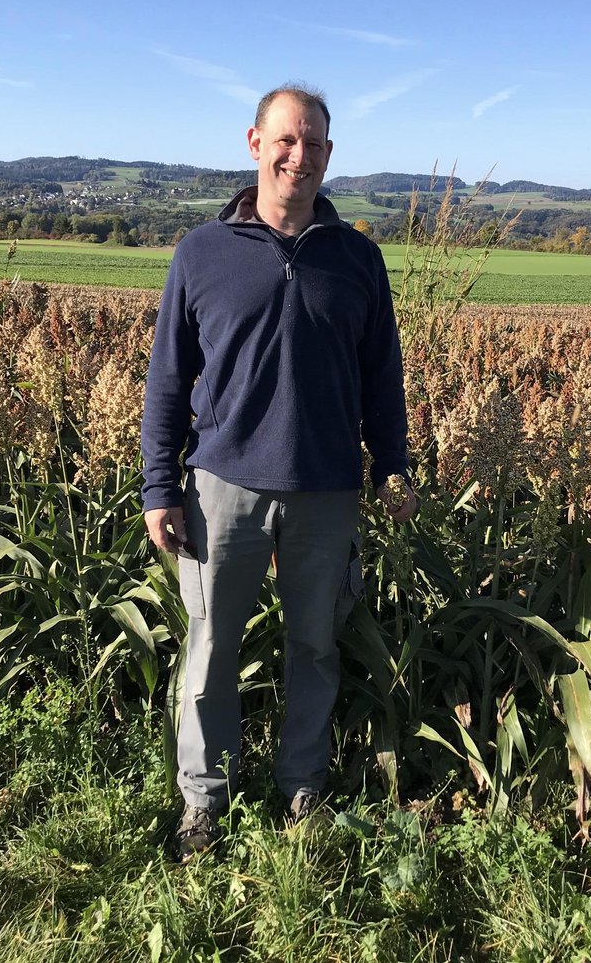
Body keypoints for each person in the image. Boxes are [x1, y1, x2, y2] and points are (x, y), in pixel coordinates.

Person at [140, 83, 418, 862]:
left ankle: (303, 790)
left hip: (327, 490)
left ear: (329, 156)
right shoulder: (201, 253)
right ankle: (206, 802)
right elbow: (167, 381)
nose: (301, 155)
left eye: (316, 143)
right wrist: (158, 485)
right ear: (255, 145)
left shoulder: (358, 259)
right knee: (212, 647)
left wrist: (392, 466)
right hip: (221, 486)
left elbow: (382, 380)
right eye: (287, 140)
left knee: (315, 647)